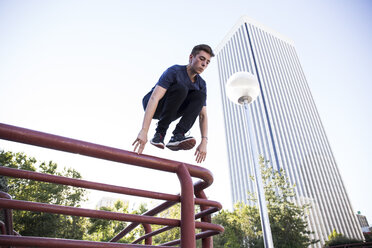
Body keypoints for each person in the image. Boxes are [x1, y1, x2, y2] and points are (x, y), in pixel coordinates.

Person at [132, 44, 214, 163]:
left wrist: (204, 142)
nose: (204, 64)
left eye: (207, 62)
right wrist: (144, 131)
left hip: (173, 110)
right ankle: (160, 134)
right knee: (182, 88)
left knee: (200, 96)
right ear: (191, 57)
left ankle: (178, 135)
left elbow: (203, 116)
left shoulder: (201, 84)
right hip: (156, 104)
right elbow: (154, 98)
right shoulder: (175, 71)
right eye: (201, 59)